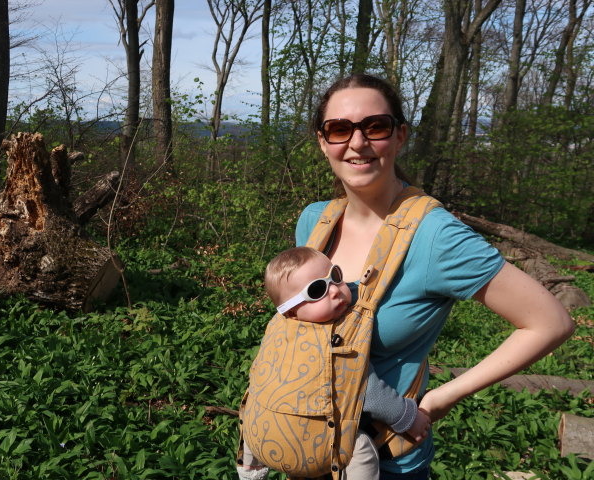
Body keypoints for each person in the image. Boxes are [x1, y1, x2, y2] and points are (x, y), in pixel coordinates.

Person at [291, 73, 574, 479]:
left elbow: (551, 323)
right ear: (323, 141)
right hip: (305, 446)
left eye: (375, 126)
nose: (357, 143)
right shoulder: (313, 222)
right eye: (339, 129)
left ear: (400, 135)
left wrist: (441, 398)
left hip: (385, 463)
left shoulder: (435, 236)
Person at [238, 246, 431, 480]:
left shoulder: (277, 331)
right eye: (317, 290)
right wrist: (409, 418)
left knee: (254, 404)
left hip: (262, 435)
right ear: (290, 312)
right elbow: (368, 391)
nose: (335, 290)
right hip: (316, 445)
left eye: (335, 276)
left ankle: (249, 469)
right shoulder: (339, 340)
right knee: (360, 448)